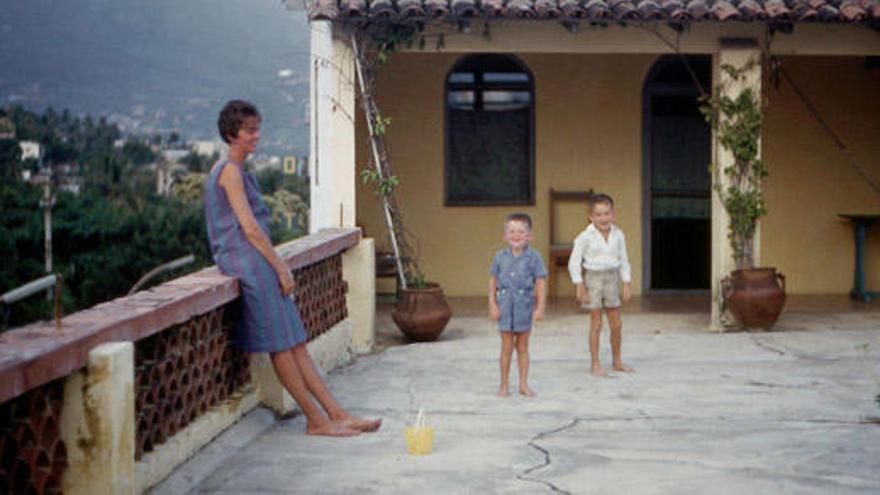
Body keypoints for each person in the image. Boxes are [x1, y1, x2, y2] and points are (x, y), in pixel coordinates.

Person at [204, 100, 380, 436]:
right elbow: (249, 228)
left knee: (296, 342)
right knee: (283, 347)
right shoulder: (227, 171)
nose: (256, 136)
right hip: (249, 264)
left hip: (255, 261)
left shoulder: (236, 170)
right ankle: (316, 420)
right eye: (249, 130)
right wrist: (280, 267)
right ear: (231, 134)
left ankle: (336, 413)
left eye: (257, 129)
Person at [567, 193, 634, 377]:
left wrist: (626, 281)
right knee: (596, 323)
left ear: (613, 214)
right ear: (591, 216)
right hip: (593, 279)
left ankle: (617, 361)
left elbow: (624, 259)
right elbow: (574, 262)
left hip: (612, 278)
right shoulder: (584, 237)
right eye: (599, 214)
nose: (603, 218)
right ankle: (595, 363)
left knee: (616, 324)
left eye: (607, 213)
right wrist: (579, 284)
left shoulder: (618, 234)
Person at [489, 213, 547, 397]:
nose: (516, 235)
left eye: (521, 232)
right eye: (512, 231)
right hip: (505, 305)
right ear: (505, 235)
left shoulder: (534, 257)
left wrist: (540, 307)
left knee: (522, 347)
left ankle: (523, 384)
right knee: (506, 347)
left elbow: (540, 282)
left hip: (524, 306)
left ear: (529, 235)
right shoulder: (499, 257)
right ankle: (504, 384)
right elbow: (493, 281)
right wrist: (492, 304)